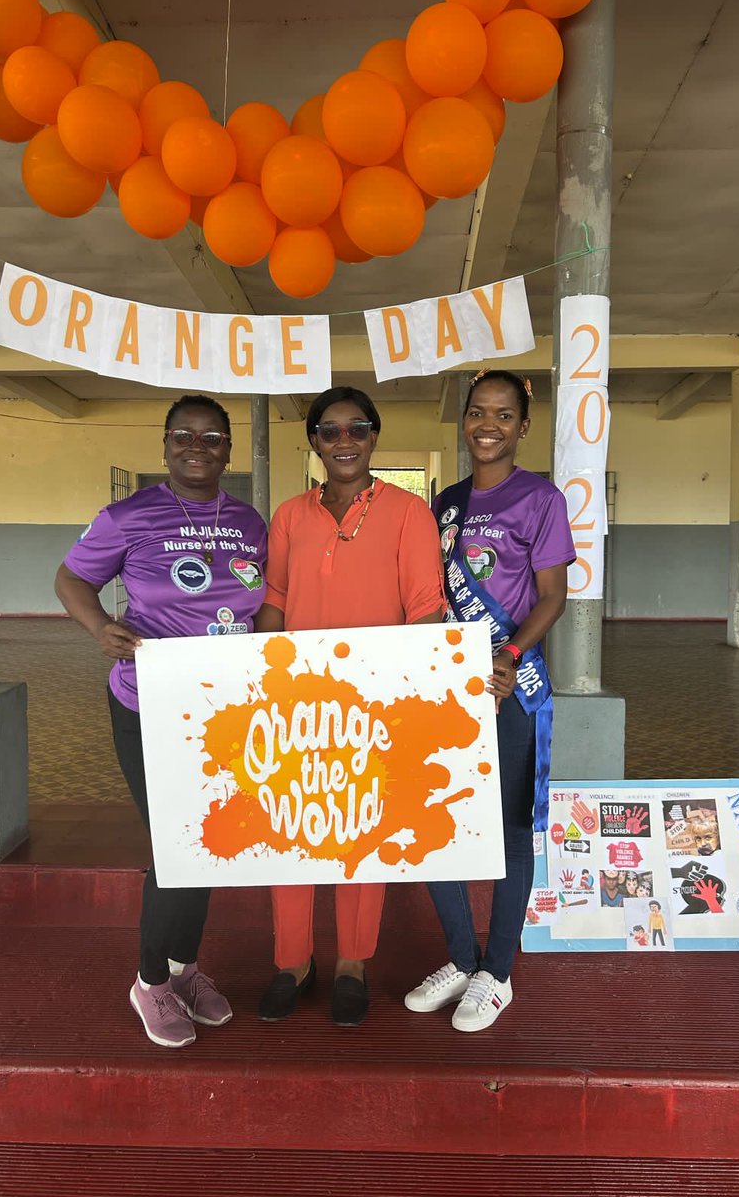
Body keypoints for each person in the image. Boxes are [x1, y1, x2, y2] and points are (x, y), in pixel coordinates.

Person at [54, 394, 267, 1049]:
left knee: (211, 842)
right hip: (149, 703)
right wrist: (101, 628)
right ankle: (150, 981)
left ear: (228, 450)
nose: (197, 447)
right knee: (177, 846)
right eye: (184, 436)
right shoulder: (127, 517)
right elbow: (70, 580)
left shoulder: (249, 522)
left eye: (211, 437)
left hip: (225, 711)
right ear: (166, 445)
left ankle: (184, 969)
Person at [255, 385, 445, 1027]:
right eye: (329, 430)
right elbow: (275, 599)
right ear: (313, 441)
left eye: (357, 429)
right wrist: (255, 679)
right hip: (297, 701)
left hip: (375, 702)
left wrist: (412, 693)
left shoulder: (409, 512)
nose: (344, 441)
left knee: (361, 830)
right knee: (291, 826)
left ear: (374, 437)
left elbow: (425, 609)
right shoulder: (290, 515)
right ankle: (292, 962)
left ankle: (351, 965)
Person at [404, 368, 575, 1033]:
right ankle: (460, 959)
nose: (488, 425)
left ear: (523, 427)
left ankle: (496, 972)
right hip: (447, 689)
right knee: (434, 822)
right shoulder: (444, 503)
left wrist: (511, 654)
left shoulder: (541, 499)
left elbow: (553, 596)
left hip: (510, 687)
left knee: (507, 830)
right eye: (478, 412)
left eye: (504, 415)